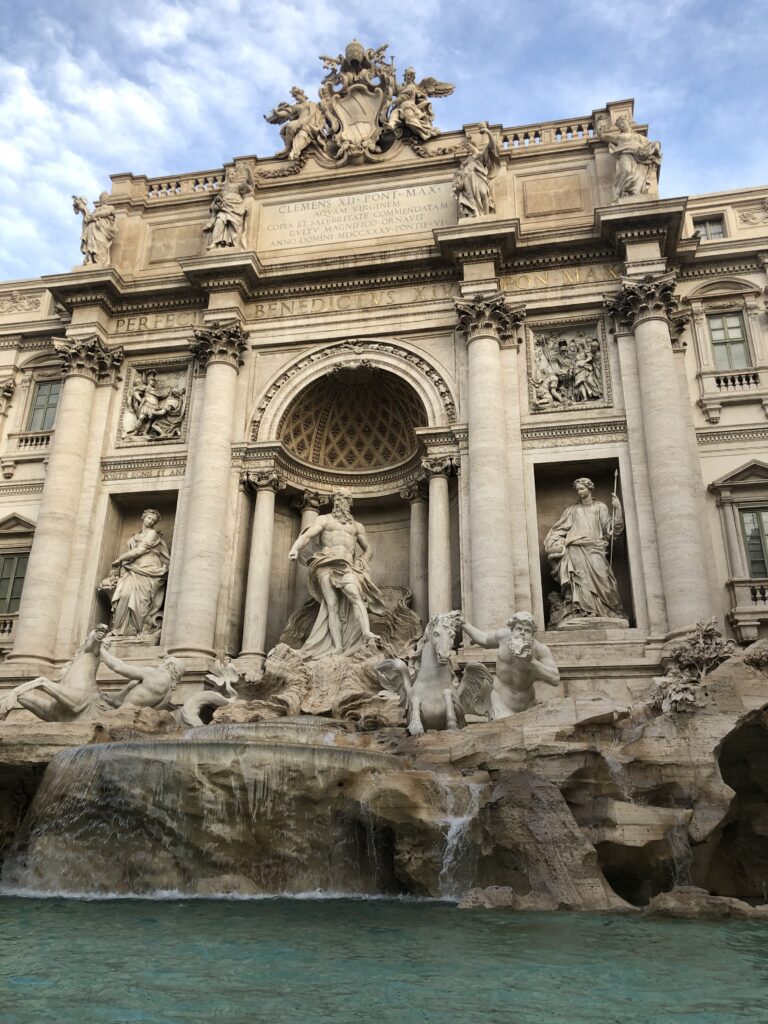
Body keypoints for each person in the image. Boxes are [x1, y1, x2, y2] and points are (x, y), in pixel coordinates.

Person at [288, 490, 385, 658]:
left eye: (345, 498)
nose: (341, 501)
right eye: (338, 498)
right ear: (334, 501)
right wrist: (295, 549)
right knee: (331, 604)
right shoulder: (324, 519)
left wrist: (363, 560)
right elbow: (307, 536)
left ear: (350, 502)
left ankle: (366, 632)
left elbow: (368, 549)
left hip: (347, 566)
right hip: (325, 562)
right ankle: (338, 646)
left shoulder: (357, 526)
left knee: (354, 594)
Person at [544, 477, 625, 624]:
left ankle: (607, 610)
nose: (580, 492)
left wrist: (618, 508)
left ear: (589, 488)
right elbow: (559, 529)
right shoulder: (572, 510)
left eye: (582, 488)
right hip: (575, 548)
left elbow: (611, 531)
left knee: (604, 579)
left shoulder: (600, 507)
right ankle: (585, 611)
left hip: (595, 548)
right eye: (578, 490)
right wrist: (553, 542)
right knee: (580, 581)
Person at [0, 625, 112, 722]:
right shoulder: (79, 656)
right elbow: (91, 642)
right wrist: (14, 694)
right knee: (20, 696)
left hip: (84, 704)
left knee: (42, 681)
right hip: (61, 713)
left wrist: (99, 638)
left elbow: (96, 645)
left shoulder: (95, 653)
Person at [460, 611, 560, 716]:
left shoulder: (539, 650)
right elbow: (484, 640)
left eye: (527, 631)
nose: (522, 633)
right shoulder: (503, 637)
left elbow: (555, 679)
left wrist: (531, 661)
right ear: (511, 630)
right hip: (500, 702)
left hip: (527, 705)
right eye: (518, 629)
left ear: (532, 634)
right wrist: (464, 624)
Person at [109, 509, 170, 638]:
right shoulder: (134, 537)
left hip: (149, 568)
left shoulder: (152, 533)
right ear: (143, 517)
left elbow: (140, 550)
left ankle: (136, 630)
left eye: (153, 520)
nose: (150, 521)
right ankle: (119, 629)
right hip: (133, 568)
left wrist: (120, 559)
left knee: (142, 602)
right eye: (149, 518)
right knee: (124, 595)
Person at [100, 640, 184, 710]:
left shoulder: (154, 675)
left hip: (123, 714)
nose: (159, 665)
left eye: (163, 663)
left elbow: (119, 667)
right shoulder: (168, 696)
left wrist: (102, 650)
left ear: (170, 666)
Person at [598, 115, 662, 201]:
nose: (621, 124)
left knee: (639, 175)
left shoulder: (640, 137)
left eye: (622, 122)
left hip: (639, 157)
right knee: (626, 170)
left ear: (627, 122)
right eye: (619, 124)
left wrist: (657, 144)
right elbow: (602, 136)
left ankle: (635, 192)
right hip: (626, 154)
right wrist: (600, 127)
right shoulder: (619, 137)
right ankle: (625, 191)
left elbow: (650, 144)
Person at [203, 165, 253, 249]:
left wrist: (249, 172)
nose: (232, 176)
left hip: (236, 208)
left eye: (234, 174)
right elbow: (214, 206)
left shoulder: (238, 186)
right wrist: (217, 202)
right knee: (219, 221)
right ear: (227, 176)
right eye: (230, 174)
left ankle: (233, 243)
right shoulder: (223, 189)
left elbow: (250, 185)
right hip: (224, 208)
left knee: (234, 226)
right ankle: (215, 243)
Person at [73, 192, 118, 265]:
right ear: (100, 199)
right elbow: (87, 217)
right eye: (103, 197)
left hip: (103, 229)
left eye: (106, 197)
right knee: (91, 243)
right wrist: (83, 209)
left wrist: (95, 215)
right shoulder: (96, 209)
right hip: (92, 228)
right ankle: (90, 259)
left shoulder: (110, 207)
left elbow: (107, 212)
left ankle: (100, 261)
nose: (104, 199)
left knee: (101, 243)